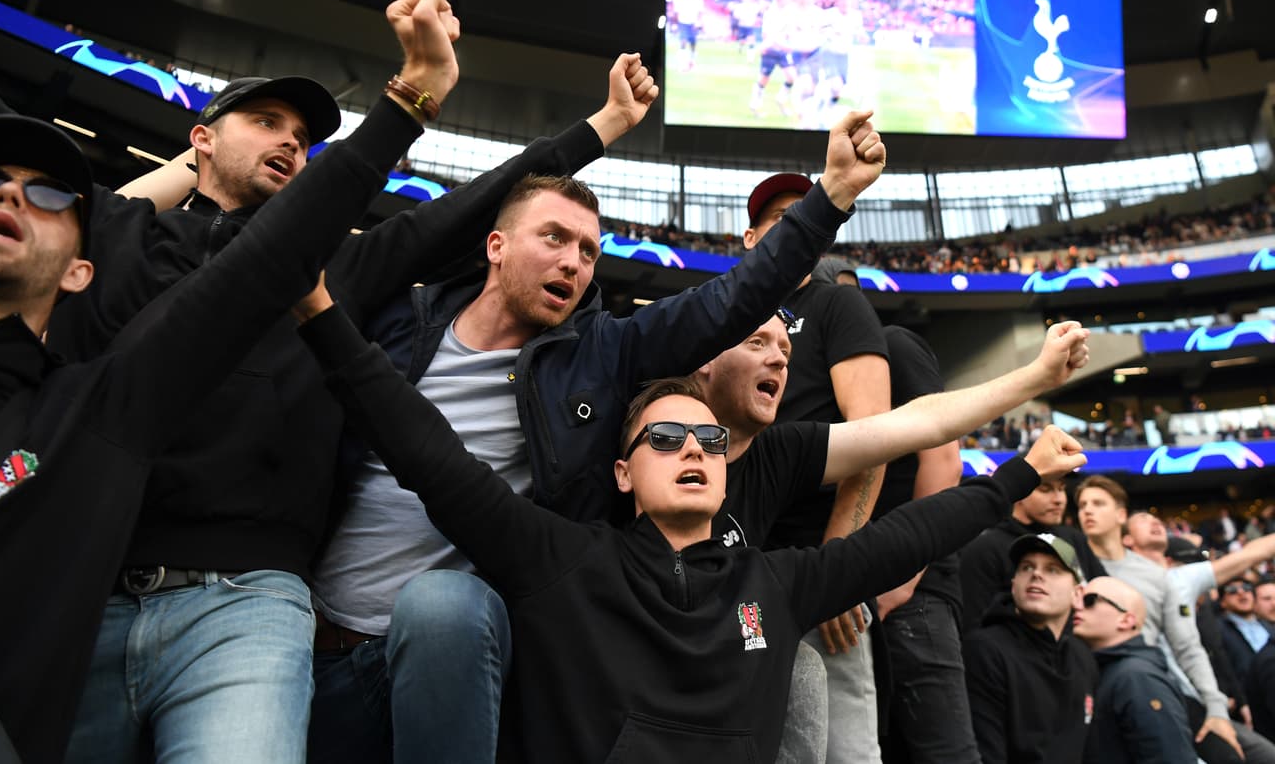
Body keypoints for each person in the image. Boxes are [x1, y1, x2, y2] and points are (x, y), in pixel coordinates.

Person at [291, 259, 1090, 763]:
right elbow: (427, 453)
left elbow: (912, 525)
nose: (696, 449)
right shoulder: (561, 559)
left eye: (707, 440)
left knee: (806, 669)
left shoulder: (776, 583)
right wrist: (324, 318)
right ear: (622, 472)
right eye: (666, 437)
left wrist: (1020, 470)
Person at [307, 111, 886, 762]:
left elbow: (728, 300)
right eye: (554, 238)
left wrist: (831, 196)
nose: (574, 262)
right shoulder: (397, 323)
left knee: (442, 606)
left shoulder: (600, 355)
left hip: (467, 655)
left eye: (588, 251)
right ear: (495, 245)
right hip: (312, 640)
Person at [0, 0, 457, 764]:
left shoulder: (100, 398)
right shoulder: (119, 238)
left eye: (303, 137)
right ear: (201, 139)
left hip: (248, 591)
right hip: (93, 590)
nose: (290, 141)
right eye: (266, 121)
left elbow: (275, 260)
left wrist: (414, 96)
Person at [690, 313, 1090, 763]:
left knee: (802, 674)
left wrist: (1036, 379)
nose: (779, 361)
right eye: (757, 343)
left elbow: (922, 425)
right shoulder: (642, 436)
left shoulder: (777, 455)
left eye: (785, 351)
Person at [746, 170, 892, 763]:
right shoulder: (726, 313)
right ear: (750, 238)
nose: (795, 226)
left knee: (844, 750)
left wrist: (838, 567)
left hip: (817, 561)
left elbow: (872, 438)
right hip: (742, 566)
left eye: (804, 216)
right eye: (779, 219)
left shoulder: (836, 302)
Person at [1077, 476, 1252, 762]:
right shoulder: (1075, 568)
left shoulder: (1155, 574)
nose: (1087, 510)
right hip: (1097, 692)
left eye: (1097, 503)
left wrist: (1216, 709)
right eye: (1082, 505)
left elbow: (1187, 647)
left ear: (1121, 515)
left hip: (1162, 688)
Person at [872, 326, 979, 764]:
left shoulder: (892, 343)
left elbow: (943, 458)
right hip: (856, 586)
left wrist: (906, 576)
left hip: (911, 593)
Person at [962, 533, 1098, 764]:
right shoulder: (985, 649)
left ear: (1077, 595)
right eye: (1026, 567)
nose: (1036, 574)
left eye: (1053, 569)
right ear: (1013, 585)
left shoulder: (1083, 658)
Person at [958, 463, 1105, 633]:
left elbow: (1103, 591)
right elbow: (973, 625)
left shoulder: (1073, 538)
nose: (1058, 499)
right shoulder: (985, 547)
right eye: (1045, 489)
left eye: (1061, 489)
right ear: (1019, 493)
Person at [1071, 577, 1197, 764]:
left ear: (1126, 620)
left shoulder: (1137, 678)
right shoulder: (1107, 671)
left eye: (1090, 601)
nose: (1077, 606)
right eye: (1077, 598)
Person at [1217, 578, 1273, 683]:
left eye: (1247, 588)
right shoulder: (1218, 630)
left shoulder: (1268, 626)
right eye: (1232, 590)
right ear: (1222, 602)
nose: (1241, 593)